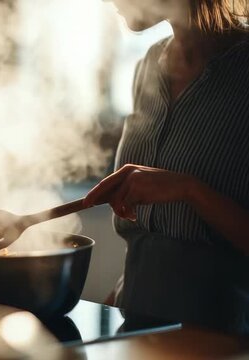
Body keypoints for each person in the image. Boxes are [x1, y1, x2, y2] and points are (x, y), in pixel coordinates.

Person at [84, 0, 249, 334]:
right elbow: (153, 237)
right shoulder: (149, 64)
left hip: (219, 342)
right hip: (136, 327)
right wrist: (124, 292)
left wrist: (188, 189)